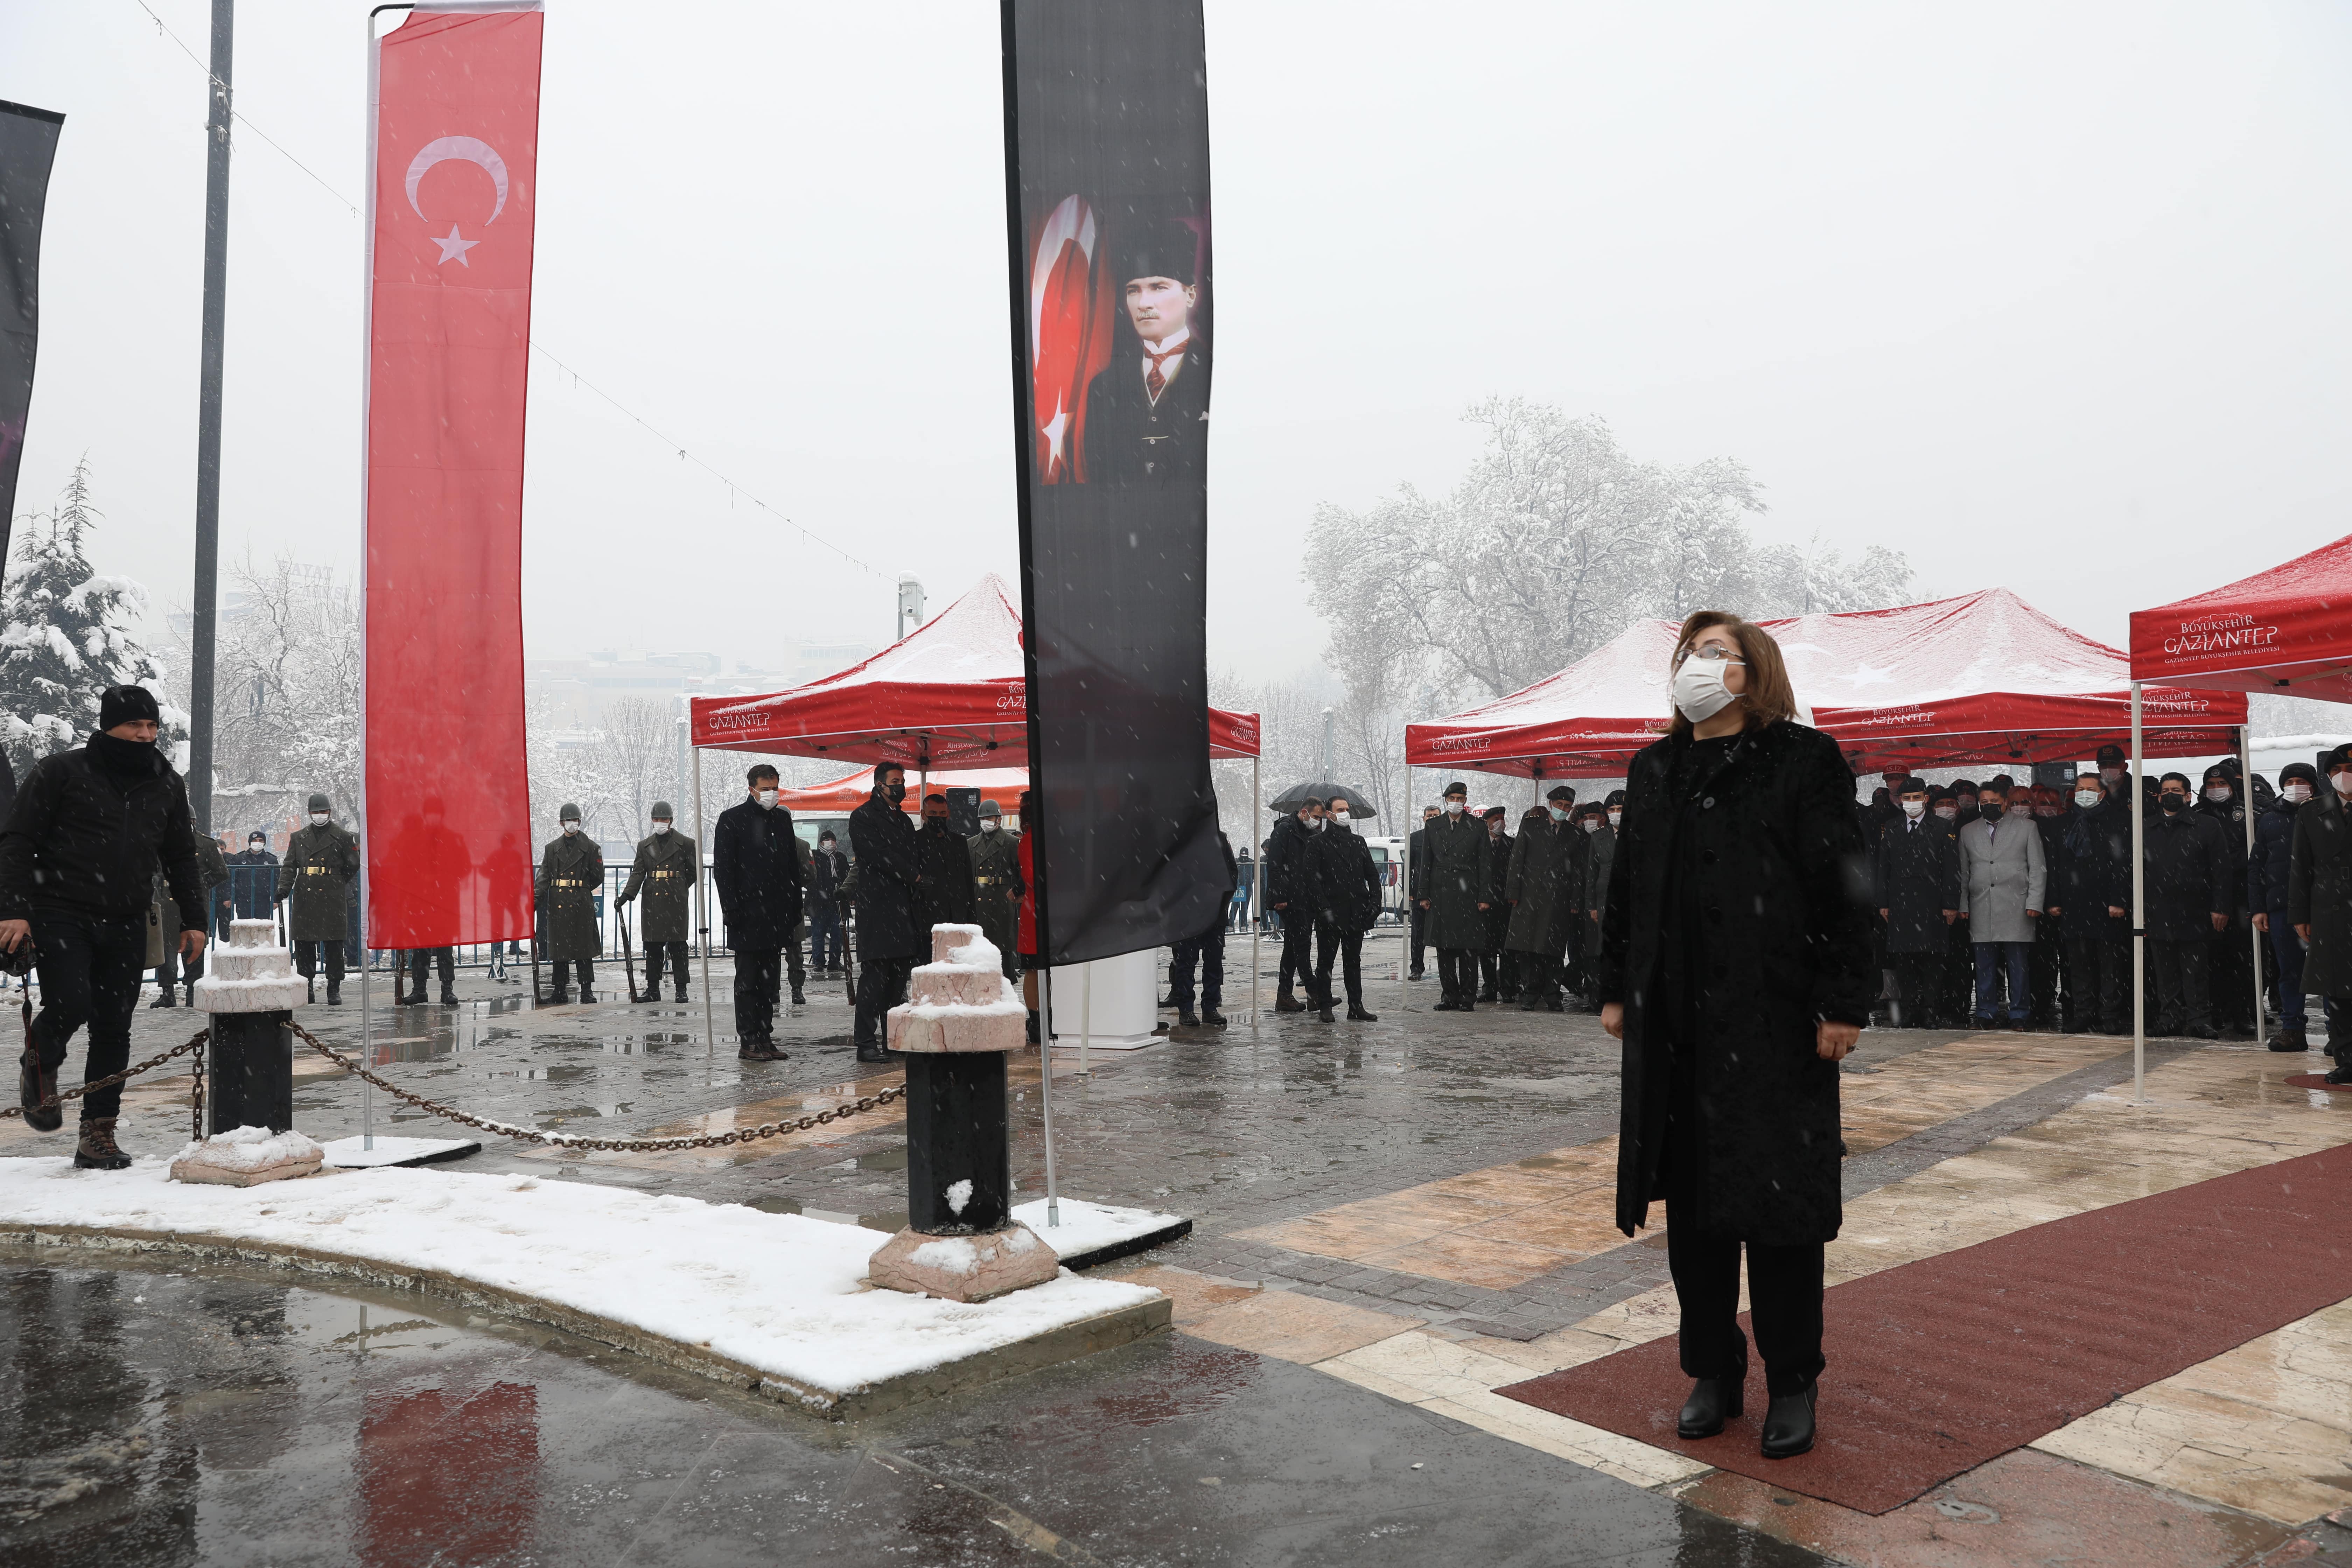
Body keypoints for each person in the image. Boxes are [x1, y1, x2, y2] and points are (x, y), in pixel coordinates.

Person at [1597, 611, 1872, 1462]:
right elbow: (1627, 886)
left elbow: (1845, 887)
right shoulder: (1655, 768)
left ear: (1756, 672)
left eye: (1717, 652)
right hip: (1677, 1028)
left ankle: (1793, 1377)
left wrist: (1842, 1002)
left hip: (1774, 1022)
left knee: (1780, 1211)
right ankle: (1712, 1367)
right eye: (1690, 652)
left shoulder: (1802, 759)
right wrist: (1616, 987)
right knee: (1696, 1215)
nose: (1698, 664)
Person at [0, 686, 208, 1170]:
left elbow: (181, 856)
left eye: (152, 726)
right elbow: (17, 840)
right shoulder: (61, 772)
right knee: (73, 1002)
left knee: (115, 1026)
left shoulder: (166, 783)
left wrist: (195, 920)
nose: (145, 734)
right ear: (109, 725)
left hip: (129, 918)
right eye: (135, 724)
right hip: (61, 911)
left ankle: (98, 1133)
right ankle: (40, 1061)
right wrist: (13, 909)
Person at [1082, 225, 1209, 487]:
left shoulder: (1212, 373)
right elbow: (1100, 480)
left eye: (1158, 287)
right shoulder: (1104, 387)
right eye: (1133, 290)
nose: (1143, 304)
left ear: (1190, 295)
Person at [712, 766, 804, 1060]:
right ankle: (748, 1039)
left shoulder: (782, 820)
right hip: (748, 914)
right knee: (748, 981)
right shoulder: (733, 819)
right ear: (751, 789)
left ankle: (765, 1036)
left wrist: (795, 907)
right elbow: (723, 871)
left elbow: (792, 867)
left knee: (769, 982)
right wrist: (731, 908)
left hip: (776, 914)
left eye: (775, 788)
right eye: (765, 789)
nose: (771, 794)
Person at [2144, 772, 2231, 1038]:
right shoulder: (2146, 827)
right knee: (2165, 971)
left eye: (2176, 791)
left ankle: (2199, 1019)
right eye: (2165, 791)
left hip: (2196, 909)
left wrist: (2221, 906)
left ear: (2188, 796)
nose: (2170, 795)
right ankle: (2168, 1018)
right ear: (2159, 797)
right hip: (2158, 909)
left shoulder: (2207, 825)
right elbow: (2137, 870)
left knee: (2196, 971)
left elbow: (2221, 870)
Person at [1956, 779, 2044, 1030]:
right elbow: (1964, 871)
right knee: (1984, 965)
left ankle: (2019, 1014)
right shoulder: (1968, 831)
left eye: (1994, 802)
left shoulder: (2027, 828)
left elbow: (2038, 868)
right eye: (1984, 802)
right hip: (1981, 905)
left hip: (2017, 905)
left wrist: (2035, 902)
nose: (1989, 806)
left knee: (2018, 966)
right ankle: (1986, 1013)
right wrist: (1963, 905)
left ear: (2005, 802)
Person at [1876, 778, 1961, 1028]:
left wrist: (1951, 903)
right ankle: (1909, 1010)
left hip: (1932, 901)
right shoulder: (1892, 827)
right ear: (1901, 800)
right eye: (1907, 798)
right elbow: (1884, 868)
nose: (1911, 802)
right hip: (1900, 902)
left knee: (1932, 960)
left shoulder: (1941, 826)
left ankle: (1930, 1011)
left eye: (1916, 797)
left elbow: (1952, 869)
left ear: (1925, 799)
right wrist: (1883, 902)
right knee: (1904, 961)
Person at [2289, 748, 2352, 1082]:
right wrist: (2299, 913)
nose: (2344, 775)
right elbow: (2300, 866)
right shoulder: (2312, 811)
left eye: (2350, 767)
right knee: (2338, 989)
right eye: (2337, 769)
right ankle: (2347, 1058)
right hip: (2330, 909)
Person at [2052, 771, 2133, 1035]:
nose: (2084, 794)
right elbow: (2054, 865)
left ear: (2102, 794)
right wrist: (2054, 899)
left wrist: (2119, 900)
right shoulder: (2063, 823)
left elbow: (2124, 864)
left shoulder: (2118, 822)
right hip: (2073, 903)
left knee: (2110, 965)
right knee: (2079, 965)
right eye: (2080, 789)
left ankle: (2110, 1014)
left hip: (2107, 904)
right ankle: (2083, 1013)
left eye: (2090, 789)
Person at [849, 763, 919, 1063]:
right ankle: (866, 1042)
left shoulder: (903, 820)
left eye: (902, 781)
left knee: (897, 981)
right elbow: (879, 856)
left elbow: (912, 854)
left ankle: (894, 1039)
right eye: (895, 781)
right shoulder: (863, 817)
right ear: (880, 785)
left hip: (902, 909)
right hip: (877, 909)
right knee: (874, 980)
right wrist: (913, 875)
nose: (900, 786)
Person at [2250, 763, 2317, 1052]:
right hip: (2281, 905)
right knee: (2289, 970)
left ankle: (2338, 1030)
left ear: (2313, 784)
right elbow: (2257, 866)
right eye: (2289, 782)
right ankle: (2293, 1028)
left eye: (2300, 781)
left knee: (2330, 969)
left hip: (2323, 905)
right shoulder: (2270, 819)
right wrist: (2258, 907)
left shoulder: (2325, 813)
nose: (2294, 786)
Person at [277, 791, 358, 1004]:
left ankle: (334, 987)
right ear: (309, 813)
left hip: (332, 895)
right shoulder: (298, 837)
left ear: (330, 812)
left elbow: (353, 864)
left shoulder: (343, 836)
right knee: (304, 945)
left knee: (334, 945)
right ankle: (307, 986)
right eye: (316, 812)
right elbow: (290, 866)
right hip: (306, 895)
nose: (320, 815)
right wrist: (283, 888)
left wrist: (336, 880)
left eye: (323, 811)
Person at [1307, 793, 1382, 1023]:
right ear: (1329, 815)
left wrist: (1375, 904)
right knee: (1326, 962)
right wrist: (1323, 908)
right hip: (1330, 912)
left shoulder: (1358, 842)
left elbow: (1372, 875)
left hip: (1356, 911)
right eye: (1341, 810)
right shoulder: (1317, 842)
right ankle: (1325, 1005)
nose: (1345, 814)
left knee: (1353, 962)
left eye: (1347, 810)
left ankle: (1356, 1006)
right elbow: (1311, 880)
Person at [1506, 787, 1578, 1013]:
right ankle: (1530, 994)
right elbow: (1517, 859)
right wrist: (1513, 892)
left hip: (1558, 898)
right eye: (1559, 805)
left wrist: (1575, 901)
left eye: (1567, 807)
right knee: (1529, 949)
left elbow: (1577, 872)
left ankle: (1553, 995)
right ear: (1551, 805)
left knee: (1554, 950)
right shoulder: (1530, 826)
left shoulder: (1573, 833)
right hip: (1530, 895)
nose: (1563, 810)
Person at [1420, 781, 1491, 1012]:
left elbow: (1485, 864)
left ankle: (1468, 997)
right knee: (1444, 948)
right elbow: (1426, 862)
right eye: (1452, 799)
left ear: (1465, 801)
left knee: (1469, 949)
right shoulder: (1434, 826)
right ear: (1446, 800)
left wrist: (1484, 896)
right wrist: (1423, 894)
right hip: (1441, 893)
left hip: (1468, 892)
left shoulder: (1477, 827)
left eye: (1460, 799)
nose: (1456, 803)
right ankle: (1450, 996)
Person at [2197, 763, 2256, 1037]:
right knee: (2213, 958)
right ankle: (2216, 1010)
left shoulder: (2246, 815)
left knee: (2242, 958)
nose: (2216, 789)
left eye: (2222, 784)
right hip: (2207, 897)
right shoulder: (2198, 815)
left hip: (2240, 896)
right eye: (2211, 785)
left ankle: (2243, 1012)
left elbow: (2252, 854)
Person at [617, 801, 695, 1004]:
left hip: (676, 902)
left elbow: (693, 873)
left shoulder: (686, 844)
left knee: (679, 947)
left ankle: (681, 989)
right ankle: (653, 989)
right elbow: (638, 872)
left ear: (671, 820)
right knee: (653, 948)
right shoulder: (645, 845)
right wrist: (627, 895)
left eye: (664, 819)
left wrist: (678, 888)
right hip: (653, 902)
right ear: (652, 820)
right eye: (657, 819)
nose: (660, 822)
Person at [150, 829, 228, 1007]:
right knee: (165, 948)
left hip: (192, 901)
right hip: (165, 900)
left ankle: (193, 991)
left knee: (194, 946)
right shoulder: (159, 838)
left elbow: (221, 872)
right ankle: (167, 992)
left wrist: (199, 885)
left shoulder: (206, 844)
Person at [535, 803, 603, 1005]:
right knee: (560, 950)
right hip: (559, 903)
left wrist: (580, 889)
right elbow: (544, 877)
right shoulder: (552, 849)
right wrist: (535, 900)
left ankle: (587, 990)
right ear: (561, 823)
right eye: (568, 820)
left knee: (584, 949)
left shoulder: (591, 848)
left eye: (574, 820)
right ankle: (560, 990)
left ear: (579, 822)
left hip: (581, 903)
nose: (571, 824)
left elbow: (598, 877)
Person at [1171, 824, 1237, 1028]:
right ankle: (1186, 1009)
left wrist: (1221, 901)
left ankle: (1210, 1006)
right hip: (1189, 913)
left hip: (1215, 913)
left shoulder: (1220, 838)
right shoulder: (1182, 838)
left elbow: (1232, 874)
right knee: (1186, 962)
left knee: (1214, 962)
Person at [1265, 798, 1320, 1013]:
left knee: (1292, 946)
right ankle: (1315, 992)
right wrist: (1280, 896)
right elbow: (1275, 865)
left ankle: (1285, 995)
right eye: (1316, 817)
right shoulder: (1284, 830)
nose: (1318, 821)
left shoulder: (1309, 833)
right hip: (1288, 898)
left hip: (1302, 897)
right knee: (1301, 944)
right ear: (1304, 813)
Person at [911, 792, 979, 937]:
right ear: (923, 815)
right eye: (933, 813)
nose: (938, 817)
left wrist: (972, 919)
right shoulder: (914, 841)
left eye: (942, 813)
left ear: (948, 814)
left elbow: (968, 881)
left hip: (958, 918)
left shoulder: (959, 842)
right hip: (927, 920)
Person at [967, 802, 1019, 979]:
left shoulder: (1011, 843)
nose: (986, 821)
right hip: (978, 899)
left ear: (999, 819)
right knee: (979, 949)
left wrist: (1016, 892)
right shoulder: (971, 844)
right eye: (983, 818)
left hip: (1001, 902)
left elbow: (1019, 874)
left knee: (1002, 949)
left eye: (989, 817)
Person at [1580, 794, 1622, 1010]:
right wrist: (1591, 906)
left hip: (1630, 897)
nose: (1616, 814)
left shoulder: (1640, 834)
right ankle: (1599, 999)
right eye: (1612, 810)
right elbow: (1592, 872)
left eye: (1620, 809)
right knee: (1602, 949)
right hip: (1603, 898)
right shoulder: (1599, 837)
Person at [1476, 807, 1517, 1002]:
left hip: (1506, 905)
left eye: (1502, 818)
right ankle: (1490, 988)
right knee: (1487, 951)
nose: (1500, 822)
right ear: (1487, 822)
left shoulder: (1512, 844)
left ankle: (1508, 988)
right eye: (1495, 819)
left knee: (1507, 950)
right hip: (1486, 904)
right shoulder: (1480, 844)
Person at [807, 828, 849, 979]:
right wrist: (820, 891)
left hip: (837, 903)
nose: (830, 843)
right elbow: (810, 878)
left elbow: (847, 877)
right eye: (826, 840)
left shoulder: (840, 858)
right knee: (818, 933)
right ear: (821, 843)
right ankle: (818, 962)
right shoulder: (815, 857)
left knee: (838, 933)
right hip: (818, 903)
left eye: (832, 840)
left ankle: (835, 961)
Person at [1407, 804, 1439, 979]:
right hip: (1420, 892)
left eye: (1436, 816)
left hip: (1441, 892)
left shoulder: (1446, 837)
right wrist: (1409, 890)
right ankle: (1416, 968)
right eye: (1430, 816)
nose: (1432, 818)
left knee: (1443, 932)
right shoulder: (1415, 838)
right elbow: (1409, 866)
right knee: (1418, 933)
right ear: (1424, 818)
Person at [1230, 849, 1254, 933]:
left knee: (1243, 906)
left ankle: (1241, 923)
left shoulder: (1251, 863)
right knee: (1236, 905)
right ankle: (1233, 922)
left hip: (1245, 887)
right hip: (1239, 887)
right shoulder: (1239, 862)